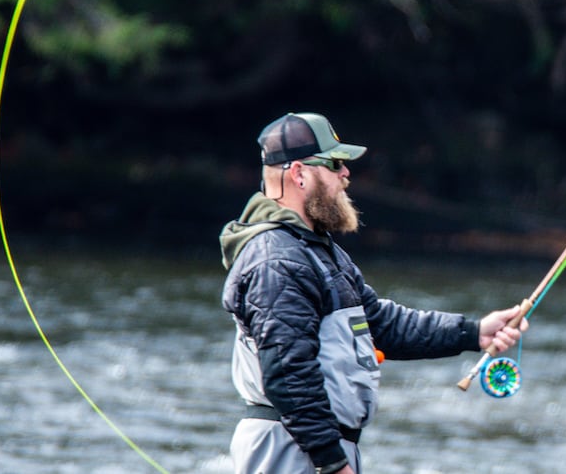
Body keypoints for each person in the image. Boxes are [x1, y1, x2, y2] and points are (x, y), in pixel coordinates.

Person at [219, 112, 526, 474]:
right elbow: (289, 373)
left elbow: (379, 324)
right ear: (299, 174)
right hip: (294, 451)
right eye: (335, 164)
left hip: (315, 449)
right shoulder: (277, 260)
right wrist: (332, 463)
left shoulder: (316, 251)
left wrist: (473, 332)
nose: (346, 173)